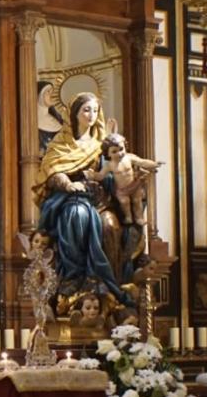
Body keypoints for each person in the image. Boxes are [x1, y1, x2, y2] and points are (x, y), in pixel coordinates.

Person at [34, 92, 127, 303]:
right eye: (86, 110)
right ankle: (73, 276)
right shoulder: (62, 141)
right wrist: (67, 183)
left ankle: (106, 283)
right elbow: (50, 169)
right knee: (77, 214)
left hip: (100, 200)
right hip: (70, 198)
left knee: (111, 225)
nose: (91, 115)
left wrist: (115, 150)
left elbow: (112, 174)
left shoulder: (101, 144)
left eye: (95, 110)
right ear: (75, 113)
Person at [87, 132, 162, 226]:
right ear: (108, 154)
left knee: (137, 201)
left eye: (121, 149)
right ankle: (128, 216)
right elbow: (101, 176)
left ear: (125, 147)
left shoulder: (129, 158)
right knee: (124, 202)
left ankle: (139, 218)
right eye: (114, 152)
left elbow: (142, 162)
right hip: (121, 190)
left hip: (134, 185)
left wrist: (154, 164)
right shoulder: (109, 165)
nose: (119, 154)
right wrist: (92, 175)